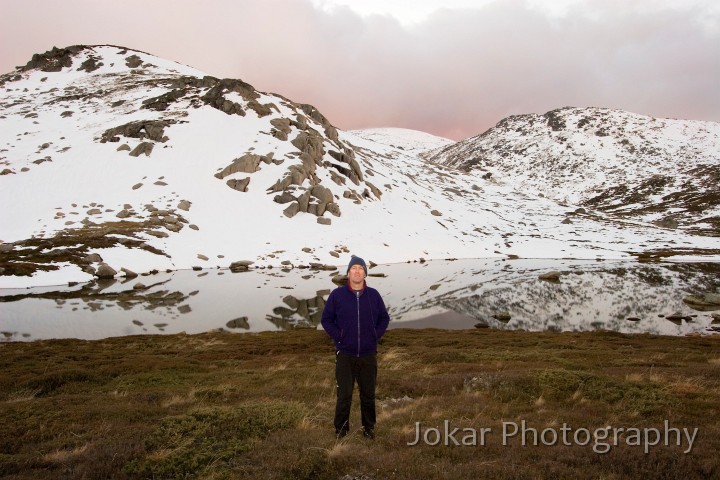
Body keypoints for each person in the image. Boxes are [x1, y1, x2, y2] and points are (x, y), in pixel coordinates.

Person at [321, 255, 390, 439]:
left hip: (368, 354)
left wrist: (375, 335)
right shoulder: (337, 295)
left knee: (368, 394)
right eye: (354, 268)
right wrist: (339, 336)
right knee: (344, 395)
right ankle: (341, 431)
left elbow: (384, 318)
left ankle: (369, 429)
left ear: (365, 273)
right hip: (345, 354)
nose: (357, 271)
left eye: (360, 268)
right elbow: (326, 320)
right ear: (348, 273)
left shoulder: (373, 295)